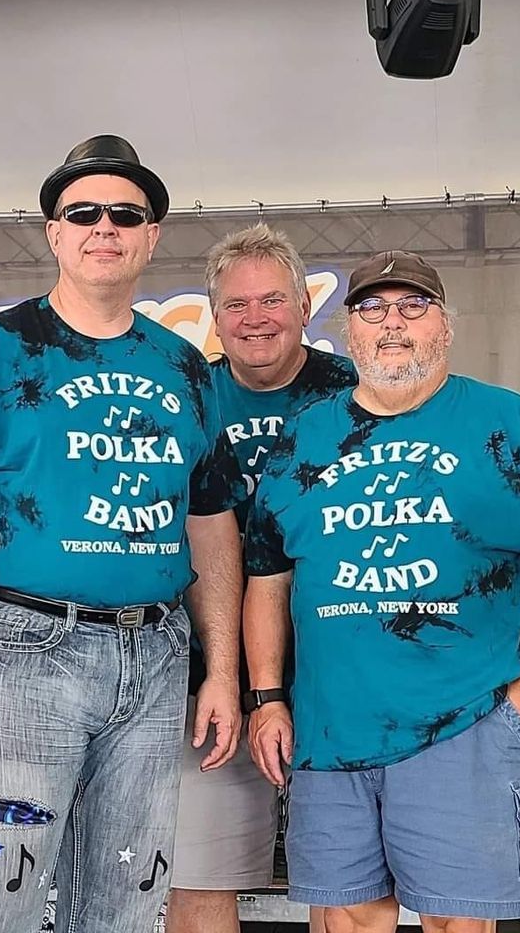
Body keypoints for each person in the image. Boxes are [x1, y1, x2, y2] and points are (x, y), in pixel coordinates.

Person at [0, 134, 245, 933]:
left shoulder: (187, 368)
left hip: (156, 657)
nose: (104, 226)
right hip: (22, 652)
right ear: (54, 232)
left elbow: (213, 526)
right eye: (81, 211)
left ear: (151, 236)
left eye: (125, 214)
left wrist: (220, 669)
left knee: (132, 897)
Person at [245, 250, 520, 933]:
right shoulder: (304, 437)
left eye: (414, 306)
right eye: (373, 308)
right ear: (349, 332)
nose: (393, 323)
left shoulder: (505, 422)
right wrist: (267, 696)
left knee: (456, 922)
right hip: (330, 729)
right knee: (347, 918)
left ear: (445, 326)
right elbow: (267, 576)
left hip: (465, 720)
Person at [167, 224, 355, 933]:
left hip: (336, 673)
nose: (255, 319)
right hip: (207, 672)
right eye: (237, 305)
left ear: (305, 307)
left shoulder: (356, 395)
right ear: (214, 316)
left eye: (272, 300)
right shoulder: (187, 398)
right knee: (199, 875)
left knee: (347, 885)